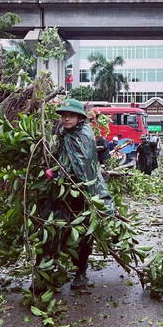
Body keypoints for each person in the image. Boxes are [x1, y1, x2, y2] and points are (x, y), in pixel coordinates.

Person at [42, 98, 116, 291]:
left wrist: (58, 172)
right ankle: (50, 272)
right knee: (55, 229)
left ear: (79, 117)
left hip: (84, 191)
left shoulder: (84, 134)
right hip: (63, 191)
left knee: (84, 232)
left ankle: (80, 273)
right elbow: (62, 157)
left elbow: (82, 164)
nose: (66, 119)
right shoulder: (63, 134)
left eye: (71, 115)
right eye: (64, 116)